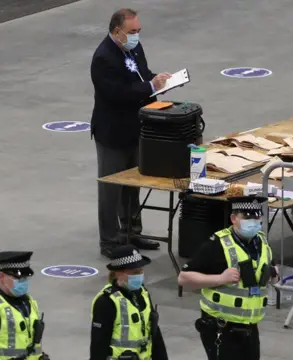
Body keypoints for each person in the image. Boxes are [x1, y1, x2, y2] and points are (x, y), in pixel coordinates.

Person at [91, 8, 173, 255]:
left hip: (136, 128)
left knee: (132, 185)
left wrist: (158, 81)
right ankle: (109, 240)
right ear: (117, 32)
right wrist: (149, 86)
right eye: (132, 32)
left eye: (138, 31)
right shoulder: (103, 58)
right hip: (112, 133)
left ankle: (131, 233)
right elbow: (116, 94)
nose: (137, 35)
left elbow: (142, 75)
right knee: (111, 189)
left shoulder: (134, 48)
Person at [177, 196, 278, 360]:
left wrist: (273, 276)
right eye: (246, 217)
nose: (252, 221)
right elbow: (184, 278)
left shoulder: (262, 242)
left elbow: (270, 274)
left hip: (250, 325)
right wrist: (220, 279)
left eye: (256, 216)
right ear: (233, 218)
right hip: (221, 326)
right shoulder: (217, 244)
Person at [90, 245, 168, 360]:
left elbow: (154, 333)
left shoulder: (143, 293)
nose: (139, 275)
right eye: (134, 272)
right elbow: (98, 345)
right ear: (118, 273)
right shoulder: (106, 302)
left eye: (141, 270)